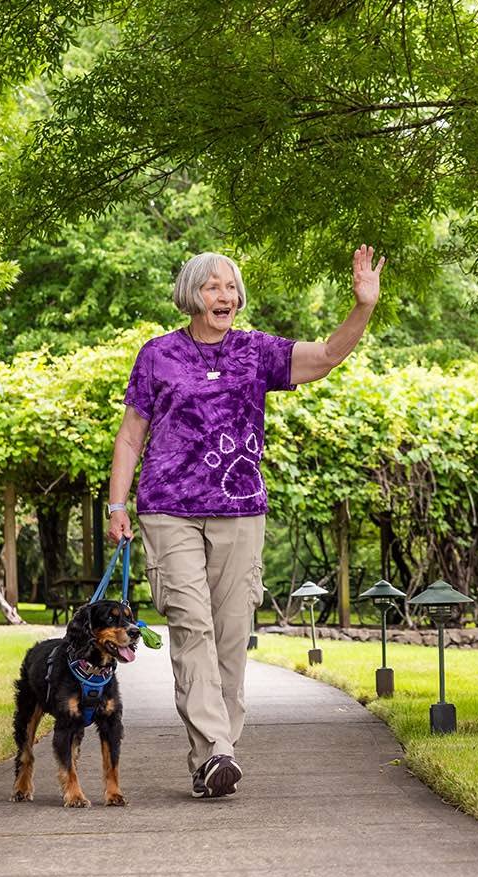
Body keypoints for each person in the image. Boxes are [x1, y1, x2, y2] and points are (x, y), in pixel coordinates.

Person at [106, 245, 384, 798]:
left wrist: (363, 307)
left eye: (230, 287)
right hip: (168, 509)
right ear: (191, 295)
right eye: (212, 287)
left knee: (232, 638)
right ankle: (218, 750)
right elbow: (132, 433)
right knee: (192, 627)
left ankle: (212, 759)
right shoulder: (157, 355)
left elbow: (327, 355)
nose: (224, 297)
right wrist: (117, 504)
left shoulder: (256, 352)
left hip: (240, 510)